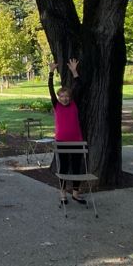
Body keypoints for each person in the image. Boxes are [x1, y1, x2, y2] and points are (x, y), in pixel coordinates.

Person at [48, 59, 87, 206]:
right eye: (62, 96)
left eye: (67, 96)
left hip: (77, 140)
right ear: (58, 97)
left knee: (77, 167)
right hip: (61, 142)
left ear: (70, 97)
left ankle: (76, 193)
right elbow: (51, 89)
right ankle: (63, 193)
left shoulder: (74, 104)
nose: (64, 99)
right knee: (63, 168)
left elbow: (79, 85)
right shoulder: (56, 104)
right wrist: (51, 72)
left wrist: (74, 71)